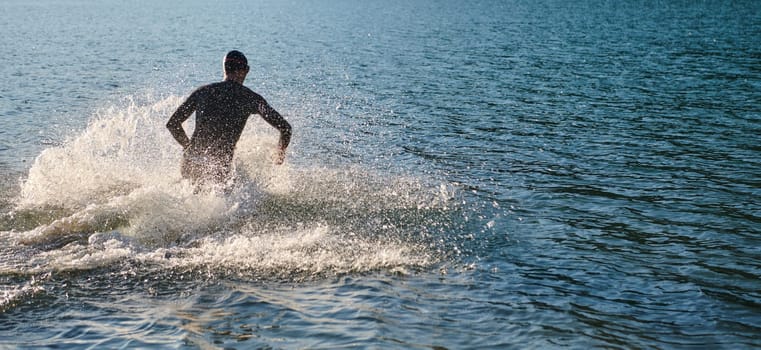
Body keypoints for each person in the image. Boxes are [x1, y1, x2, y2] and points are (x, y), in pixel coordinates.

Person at [166, 50, 292, 186]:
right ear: (246, 70)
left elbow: (173, 123)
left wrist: (188, 147)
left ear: (224, 68)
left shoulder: (203, 92)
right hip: (219, 167)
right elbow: (285, 127)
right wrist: (280, 155)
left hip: (192, 161)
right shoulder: (251, 98)